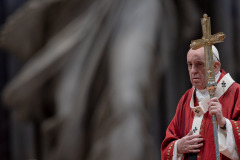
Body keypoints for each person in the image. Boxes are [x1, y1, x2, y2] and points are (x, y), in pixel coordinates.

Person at [161, 45, 240, 160]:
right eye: (190, 65)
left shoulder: (236, 93)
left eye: (199, 64)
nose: (193, 71)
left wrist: (224, 123)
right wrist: (178, 147)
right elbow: (169, 142)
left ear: (215, 67)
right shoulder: (186, 99)